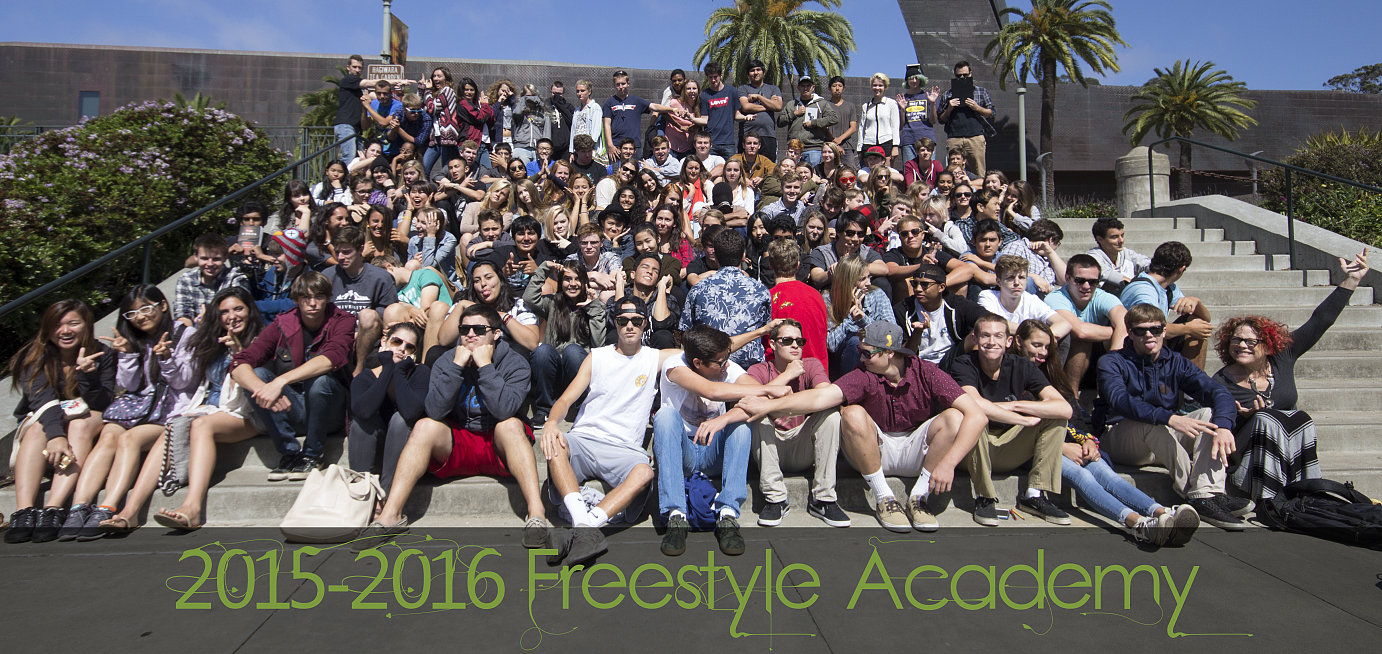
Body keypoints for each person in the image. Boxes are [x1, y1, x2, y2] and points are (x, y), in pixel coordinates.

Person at [738, 321, 988, 532]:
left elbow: (977, 416)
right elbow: (820, 397)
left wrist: (948, 463)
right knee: (851, 413)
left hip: (917, 451)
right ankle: (884, 498)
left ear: (889, 353)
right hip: (874, 452)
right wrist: (768, 406)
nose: (861, 358)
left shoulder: (927, 372)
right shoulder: (863, 374)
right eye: (860, 351)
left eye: (867, 353)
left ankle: (919, 498)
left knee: (955, 417)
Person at [359, 305, 547, 550]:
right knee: (424, 426)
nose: (470, 334)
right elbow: (435, 411)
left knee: (511, 425)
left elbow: (504, 410)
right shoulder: (447, 360)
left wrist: (485, 367)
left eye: (479, 329)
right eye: (464, 329)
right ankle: (390, 515)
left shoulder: (515, 363)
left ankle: (536, 513)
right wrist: (456, 367)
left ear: (496, 334)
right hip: (459, 441)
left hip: (498, 442)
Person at [1013, 319, 1200, 546]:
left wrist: (1088, 441)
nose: (1043, 352)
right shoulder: (1010, 374)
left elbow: (1076, 418)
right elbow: (1015, 428)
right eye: (1036, 345)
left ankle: (1163, 514)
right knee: (1082, 477)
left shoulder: (1053, 375)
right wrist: (1062, 447)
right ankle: (1138, 524)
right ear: (1018, 342)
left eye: (1047, 347)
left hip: (1073, 444)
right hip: (1035, 450)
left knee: (1108, 476)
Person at [103, 287, 268, 534]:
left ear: (250, 310)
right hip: (213, 409)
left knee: (201, 425)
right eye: (224, 312)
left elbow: (249, 392)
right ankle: (130, 511)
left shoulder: (264, 338)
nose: (231, 316)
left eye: (238, 309)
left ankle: (192, 507)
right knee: (172, 427)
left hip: (250, 412)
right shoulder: (213, 341)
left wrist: (238, 354)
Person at [1212, 250, 1369, 500]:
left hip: (1285, 446)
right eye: (1236, 340)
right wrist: (1245, 418)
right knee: (1266, 420)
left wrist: (1351, 280)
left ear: (1268, 345)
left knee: (1301, 418)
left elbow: (1320, 321)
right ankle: (1269, 499)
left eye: (1251, 341)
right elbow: (1216, 429)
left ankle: (1307, 492)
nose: (1242, 345)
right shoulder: (1221, 381)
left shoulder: (1282, 358)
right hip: (1245, 456)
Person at [539, 297, 679, 565]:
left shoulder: (655, 357)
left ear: (645, 324)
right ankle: (584, 525)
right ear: (615, 323)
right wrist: (551, 423)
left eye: (636, 320)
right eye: (623, 320)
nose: (629, 326)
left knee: (645, 472)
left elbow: (706, 348)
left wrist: (758, 333)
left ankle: (583, 527)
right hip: (585, 438)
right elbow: (565, 400)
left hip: (624, 449)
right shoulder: (597, 356)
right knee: (555, 442)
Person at [1094, 303, 1249, 531]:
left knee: (1209, 415)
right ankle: (1194, 495)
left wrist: (1224, 426)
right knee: (1153, 423)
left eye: (1155, 329)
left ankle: (1209, 493)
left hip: (1162, 440)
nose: (1149, 335)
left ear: (1164, 331)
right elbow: (1120, 401)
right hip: (1120, 438)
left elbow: (1218, 392)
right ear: (1130, 333)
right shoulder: (1112, 362)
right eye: (1140, 330)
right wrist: (1169, 418)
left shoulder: (1176, 362)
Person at [653, 325, 788, 556]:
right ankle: (676, 516)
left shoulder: (725, 366)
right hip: (682, 451)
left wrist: (724, 419)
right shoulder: (674, 366)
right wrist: (770, 388)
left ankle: (728, 514)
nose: (726, 365)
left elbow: (762, 396)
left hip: (712, 450)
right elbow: (710, 391)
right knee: (664, 416)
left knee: (741, 421)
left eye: (726, 359)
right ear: (698, 363)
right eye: (720, 362)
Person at [6, 300, 114, 543]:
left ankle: (53, 509)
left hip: (87, 419)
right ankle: (23, 511)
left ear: (87, 325)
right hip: (48, 418)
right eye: (57, 325)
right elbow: (41, 402)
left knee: (80, 423)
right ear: (47, 328)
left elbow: (102, 402)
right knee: (37, 429)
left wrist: (88, 375)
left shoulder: (102, 353)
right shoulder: (33, 356)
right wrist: (56, 436)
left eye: (73, 323)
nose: (65, 330)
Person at [231, 272, 355, 481]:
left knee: (320, 381)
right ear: (296, 300)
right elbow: (239, 362)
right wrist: (263, 388)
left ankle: (313, 454)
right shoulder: (283, 323)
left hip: (329, 410)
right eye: (306, 298)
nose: (313, 303)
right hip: (292, 406)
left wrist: (280, 381)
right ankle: (289, 453)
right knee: (257, 375)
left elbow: (332, 357)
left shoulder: (342, 319)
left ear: (328, 298)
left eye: (319, 297)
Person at [950, 314, 1072, 526]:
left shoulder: (1022, 365)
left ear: (1008, 341)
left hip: (1009, 446)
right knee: (974, 418)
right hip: (971, 451)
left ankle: (1034, 495)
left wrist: (1016, 406)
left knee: (1056, 418)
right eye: (985, 336)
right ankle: (985, 497)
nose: (992, 342)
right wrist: (1022, 419)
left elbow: (1064, 408)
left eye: (998, 336)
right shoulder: (963, 364)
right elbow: (974, 404)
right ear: (975, 339)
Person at [740, 319, 848, 527]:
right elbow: (751, 404)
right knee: (759, 417)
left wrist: (773, 405)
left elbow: (827, 396)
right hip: (769, 447)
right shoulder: (758, 370)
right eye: (788, 340)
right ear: (773, 344)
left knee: (831, 414)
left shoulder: (811, 365)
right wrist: (788, 375)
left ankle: (824, 499)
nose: (795, 346)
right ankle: (776, 499)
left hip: (801, 445)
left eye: (800, 341)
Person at [348, 322, 429, 495]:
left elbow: (410, 412)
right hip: (374, 451)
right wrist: (387, 369)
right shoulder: (364, 377)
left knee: (400, 420)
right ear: (384, 343)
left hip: (407, 456)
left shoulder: (420, 373)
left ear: (414, 354)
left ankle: (386, 496)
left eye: (409, 347)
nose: (402, 349)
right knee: (360, 424)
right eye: (396, 342)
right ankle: (361, 491)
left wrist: (398, 372)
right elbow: (363, 412)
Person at [523, 261, 607, 426]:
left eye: (577, 279)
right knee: (542, 351)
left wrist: (593, 307)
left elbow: (599, 344)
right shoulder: (552, 303)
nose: (572, 284)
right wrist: (544, 268)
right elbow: (529, 297)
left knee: (572, 351)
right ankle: (544, 410)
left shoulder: (595, 306)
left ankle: (583, 406)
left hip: (579, 373)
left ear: (584, 282)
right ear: (561, 282)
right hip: (554, 374)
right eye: (567, 279)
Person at [679, 229, 771, 368]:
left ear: (715, 256)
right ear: (743, 256)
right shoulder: (760, 290)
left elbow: (686, 333)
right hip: (750, 368)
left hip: (710, 367)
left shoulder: (698, 289)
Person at [1119, 241, 1213, 370]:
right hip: (1135, 345)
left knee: (1197, 321)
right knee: (1187, 329)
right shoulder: (1143, 289)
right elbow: (1151, 328)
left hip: (1152, 340)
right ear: (1181, 269)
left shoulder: (1168, 287)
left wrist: (1197, 303)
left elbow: (1206, 319)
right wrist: (1188, 329)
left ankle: (1194, 379)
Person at [322, 226, 398, 375]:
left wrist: (358, 334)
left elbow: (387, 314)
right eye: (337, 252)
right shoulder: (327, 276)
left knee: (368, 315)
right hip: (336, 336)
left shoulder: (380, 278)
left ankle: (358, 369)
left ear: (360, 249)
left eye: (346, 252)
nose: (340, 257)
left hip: (367, 338)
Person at [1045, 253, 1128, 389]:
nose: (1086, 286)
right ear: (1067, 278)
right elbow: (1080, 331)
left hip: (1100, 358)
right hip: (1062, 358)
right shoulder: (1055, 298)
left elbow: (1125, 323)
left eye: (1093, 282)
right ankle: (1072, 396)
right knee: (1082, 340)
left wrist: (1112, 359)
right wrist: (1117, 330)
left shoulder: (1103, 297)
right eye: (1079, 280)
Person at [894, 264, 987, 372]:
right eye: (914, 284)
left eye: (925, 284)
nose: (918, 289)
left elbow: (989, 319)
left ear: (941, 287)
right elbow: (904, 354)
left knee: (982, 328)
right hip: (917, 363)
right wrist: (917, 332)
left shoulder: (955, 303)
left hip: (951, 360)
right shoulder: (903, 309)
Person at [823, 254, 896, 377]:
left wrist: (863, 320)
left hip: (876, 355)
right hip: (843, 359)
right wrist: (850, 317)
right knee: (855, 341)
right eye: (862, 279)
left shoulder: (878, 295)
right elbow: (831, 344)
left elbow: (892, 335)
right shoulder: (828, 298)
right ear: (847, 282)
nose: (868, 283)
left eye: (869, 277)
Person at [766, 236, 829, 372]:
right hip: (818, 373)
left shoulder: (769, 298)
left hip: (784, 375)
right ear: (798, 265)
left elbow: (767, 345)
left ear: (770, 265)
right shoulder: (816, 295)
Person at [174, 233, 252, 327]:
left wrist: (208, 321)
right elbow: (182, 314)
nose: (210, 264)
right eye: (204, 258)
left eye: (216, 259)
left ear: (225, 257)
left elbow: (239, 312)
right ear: (196, 257)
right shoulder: (186, 280)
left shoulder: (236, 278)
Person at [334, 55, 399, 166]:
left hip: (356, 127)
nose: (357, 70)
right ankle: (344, 175)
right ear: (348, 67)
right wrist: (395, 82)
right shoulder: (348, 80)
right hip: (346, 124)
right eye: (354, 67)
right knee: (349, 155)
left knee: (360, 157)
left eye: (360, 67)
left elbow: (376, 95)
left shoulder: (360, 89)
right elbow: (370, 84)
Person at [937, 61, 996, 174]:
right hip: (955, 138)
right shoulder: (947, 95)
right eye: (959, 76)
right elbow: (940, 119)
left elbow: (991, 113)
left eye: (965, 75)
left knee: (979, 172)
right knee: (953, 171)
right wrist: (949, 108)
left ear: (971, 74)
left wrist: (977, 107)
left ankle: (978, 186)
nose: (962, 78)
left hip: (975, 137)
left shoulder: (981, 91)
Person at [603, 70, 677, 157]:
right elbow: (607, 124)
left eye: (623, 84)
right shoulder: (609, 102)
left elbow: (654, 107)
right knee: (616, 166)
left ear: (628, 84)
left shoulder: (637, 101)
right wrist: (610, 145)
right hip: (617, 146)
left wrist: (673, 109)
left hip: (635, 146)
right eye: (618, 84)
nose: (621, 87)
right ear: (614, 85)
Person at [808, 210, 888, 291]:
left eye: (860, 234)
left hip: (861, 294)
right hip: (834, 294)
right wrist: (834, 272)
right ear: (838, 232)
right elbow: (816, 279)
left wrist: (852, 266)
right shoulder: (822, 252)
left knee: (881, 282)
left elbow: (884, 269)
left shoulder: (865, 251)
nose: (855, 239)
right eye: (850, 234)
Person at [736, 59, 784, 161]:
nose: (755, 73)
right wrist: (769, 106)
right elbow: (745, 107)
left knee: (769, 166)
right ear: (748, 74)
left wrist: (759, 97)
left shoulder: (773, 89)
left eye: (758, 70)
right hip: (747, 134)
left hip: (768, 135)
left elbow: (778, 106)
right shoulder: (743, 88)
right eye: (752, 70)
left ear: (763, 72)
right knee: (745, 166)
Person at [1087, 217, 1150, 291]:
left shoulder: (1127, 253)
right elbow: (1106, 274)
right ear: (1100, 239)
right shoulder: (1092, 257)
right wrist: (1135, 285)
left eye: (1122, 235)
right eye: (1114, 237)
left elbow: (1145, 263)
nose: (1121, 240)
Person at [699, 62, 741, 159]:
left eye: (715, 77)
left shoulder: (732, 91)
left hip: (728, 142)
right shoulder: (705, 94)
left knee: (732, 167)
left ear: (721, 75)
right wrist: (690, 118)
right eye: (710, 77)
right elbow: (704, 119)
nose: (713, 80)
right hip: (711, 143)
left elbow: (737, 115)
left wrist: (746, 117)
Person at [858, 73, 901, 166]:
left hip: (886, 142)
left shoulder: (891, 104)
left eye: (880, 85)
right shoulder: (866, 106)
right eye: (874, 85)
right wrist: (859, 148)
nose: (877, 88)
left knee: (886, 172)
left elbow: (895, 126)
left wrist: (895, 146)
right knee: (869, 172)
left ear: (885, 87)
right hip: (868, 143)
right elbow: (862, 128)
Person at [897, 72, 939, 165]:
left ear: (921, 79)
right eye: (911, 78)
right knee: (910, 169)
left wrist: (933, 103)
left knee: (929, 170)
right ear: (907, 80)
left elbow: (933, 121)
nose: (914, 81)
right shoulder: (903, 98)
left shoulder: (929, 96)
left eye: (917, 78)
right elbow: (900, 126)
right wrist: (903, 110)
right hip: (908, 139)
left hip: (927, 138)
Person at [569, 79, 606, 166]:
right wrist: (572, 151)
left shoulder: (595, 107)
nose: (579, 93)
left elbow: (596, 131)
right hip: (578, 150)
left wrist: (589, 148)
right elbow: (573, 131)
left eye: (582, 91)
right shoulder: (577, 110)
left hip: (589, 150)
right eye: (577, 91)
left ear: (589, 92)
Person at [826, 76, 860, 168]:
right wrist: (834, 143)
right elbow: (824, 127)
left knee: (849, 171)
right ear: (829, 88)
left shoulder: (850, 106)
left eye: (840, 86)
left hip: (847, 147)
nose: (837, 88)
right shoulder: (825, 105)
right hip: (829, 146)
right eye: (834, 86)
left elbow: (853, 127)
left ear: (843, 88)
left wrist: (840, 139)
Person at [546, 81, 575, 161]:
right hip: (550, 147)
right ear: (550, 92)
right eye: (554, 93)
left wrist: (559, 104)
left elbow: (572, 121)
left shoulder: (568, 106)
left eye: (559, 94)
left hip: (565, 148)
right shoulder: (545, 106)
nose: (556, 96)